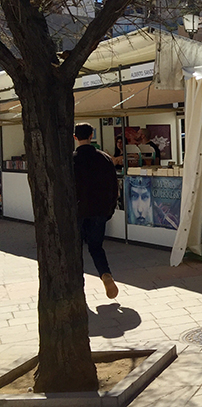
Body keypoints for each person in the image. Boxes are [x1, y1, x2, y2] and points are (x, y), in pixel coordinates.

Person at [74, 123, 120, 299]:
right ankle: (105, 275)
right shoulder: (104, 158)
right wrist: (109, 209)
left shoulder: (72, 159)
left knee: (75, 250)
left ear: (75, 137)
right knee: (96, 247)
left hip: (78, 210)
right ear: (92, 135)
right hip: (99, 210)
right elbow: (113, 185)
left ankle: (79, 286)